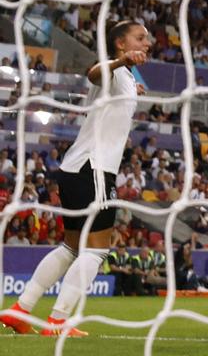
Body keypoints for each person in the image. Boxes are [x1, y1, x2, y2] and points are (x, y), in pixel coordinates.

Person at [2, 19, 153, 336]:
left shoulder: (124, 77)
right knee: (97, 250)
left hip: (75, 170)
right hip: (93, 170)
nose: (148, 42)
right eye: (140, 38)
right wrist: (122, 64)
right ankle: (57, 320)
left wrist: (131, 87)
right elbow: (94, 73)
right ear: (120, 44)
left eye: (148, 38)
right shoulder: (113, 69)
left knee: (71, 247)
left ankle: (20, 309)